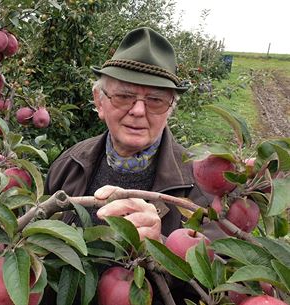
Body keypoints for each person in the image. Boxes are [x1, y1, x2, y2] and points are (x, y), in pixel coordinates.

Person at [43, 27, 216, 304]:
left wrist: (163, 249)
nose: (138, 110)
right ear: (100, 102)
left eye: (155, 101)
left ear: (169, 110)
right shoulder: (70, 163)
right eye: (124, 96)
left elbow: (218, 284)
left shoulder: (200, 185)